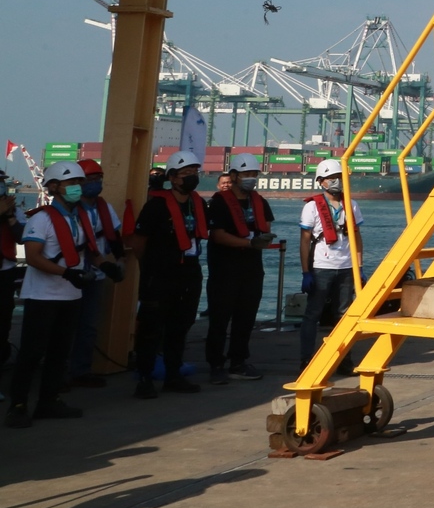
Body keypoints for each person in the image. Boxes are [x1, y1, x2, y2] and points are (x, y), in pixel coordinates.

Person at [7, 162, 108, 426]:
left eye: (79, 183)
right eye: (70, 184)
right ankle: (17, 406)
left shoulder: (81, 218)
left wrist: (106, 266)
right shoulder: (41, 219)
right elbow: (32, 257)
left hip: (71, 295)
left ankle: (48, 402)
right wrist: (66, 274)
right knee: (31, 353)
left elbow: (87, 252)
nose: (77, 188)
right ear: (53, 187)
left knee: (59, 353)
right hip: (43, 296)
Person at [129, 150, 208, 399]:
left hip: (189, 274)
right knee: (151, 330)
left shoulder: (199, 204)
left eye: (195, 173)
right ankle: (144, 378)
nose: (192, 177)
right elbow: (139, 242)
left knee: (180, 327)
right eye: (186, 173)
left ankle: (173, 376)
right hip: (160, 276)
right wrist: (150, 270)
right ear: (172, 178)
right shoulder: (156, 206)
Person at [204, 153, 276, 384]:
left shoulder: (260, 201)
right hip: (225, 270)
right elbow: (217, 235)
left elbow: (267, 226)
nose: (251, 179)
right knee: (219, 319)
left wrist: (262, 239)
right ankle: (216, 364)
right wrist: (249, 243)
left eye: (254, 174)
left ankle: (238, 362)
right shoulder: (219, 202)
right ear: (233, 175)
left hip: (252, 269)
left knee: (245, 319)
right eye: (246, 174)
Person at [66, 159, 126, 388]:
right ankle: (59, 372)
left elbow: (114, 235)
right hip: (72, 275)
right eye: (90, 179)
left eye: (98, 178)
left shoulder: (104, 207)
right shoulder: (69, 209)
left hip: (97, 276)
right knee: (65, 326)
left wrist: (120, 260)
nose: (95, 183)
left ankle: (81, 370)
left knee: (89, 326)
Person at [298, 160, 363, 364]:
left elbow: (357, 237)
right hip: (321, 269)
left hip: (346, 268)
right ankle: (306, 359)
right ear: (321, 181)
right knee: (313, 314)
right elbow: (305, 240)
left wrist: (359, 268)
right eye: (331, 178)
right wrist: (306, 272)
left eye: (339, 177)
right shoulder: (311, 207)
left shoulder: (351, 204)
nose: (336, 182)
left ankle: (344, 360)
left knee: (344, 316)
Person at [0, 179, 24, 394]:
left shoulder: (12, 211)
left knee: (3, 324)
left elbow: (22, 237)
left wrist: (9, 216)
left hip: (6, 272)